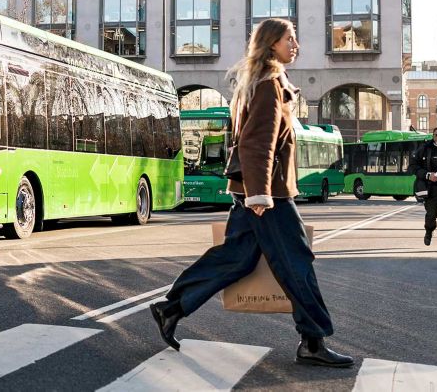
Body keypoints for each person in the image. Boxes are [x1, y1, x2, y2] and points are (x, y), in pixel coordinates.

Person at [148, 19, 354, 368]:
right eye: (290, 38)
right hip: (267, 195)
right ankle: (313, 340)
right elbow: (258, 143)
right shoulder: (270, 85)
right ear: (272, 43)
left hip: (255, 191)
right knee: (297, 262)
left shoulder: (260, 83)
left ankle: (171, 308)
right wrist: (260, 195)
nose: (296, 45)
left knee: (236, 258)